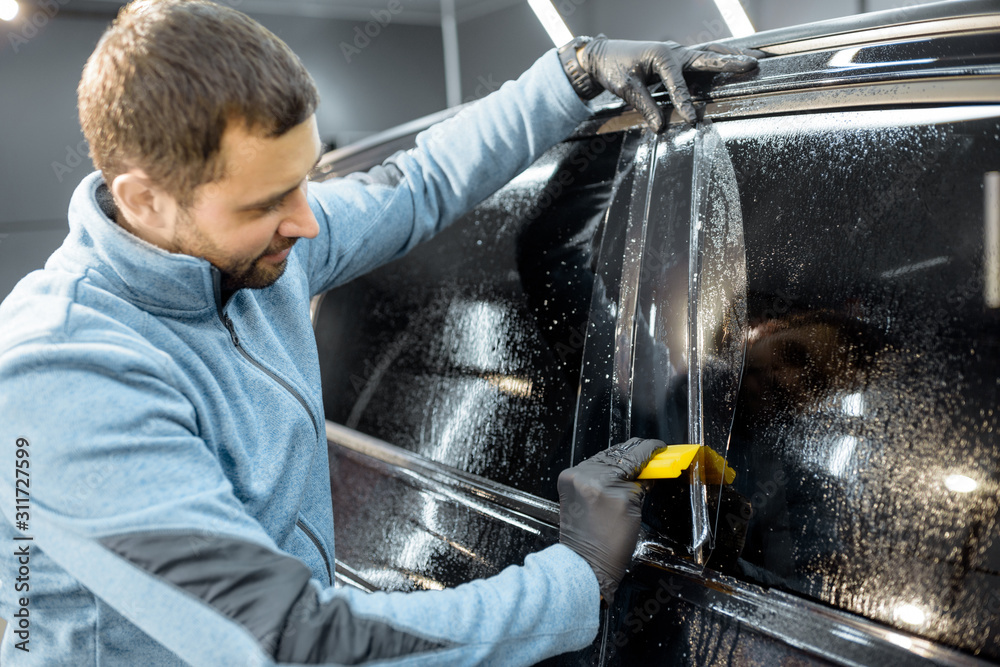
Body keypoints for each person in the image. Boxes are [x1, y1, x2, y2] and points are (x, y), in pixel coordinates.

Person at [0, 1, 759, 664]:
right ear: (147, 200)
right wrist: (573, 576)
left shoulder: (251, 249)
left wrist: (573, 71)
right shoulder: (63, 380)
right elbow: (296, 639)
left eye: (304, 180)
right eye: (268, 200)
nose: (306, 221)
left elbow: (417, 185)